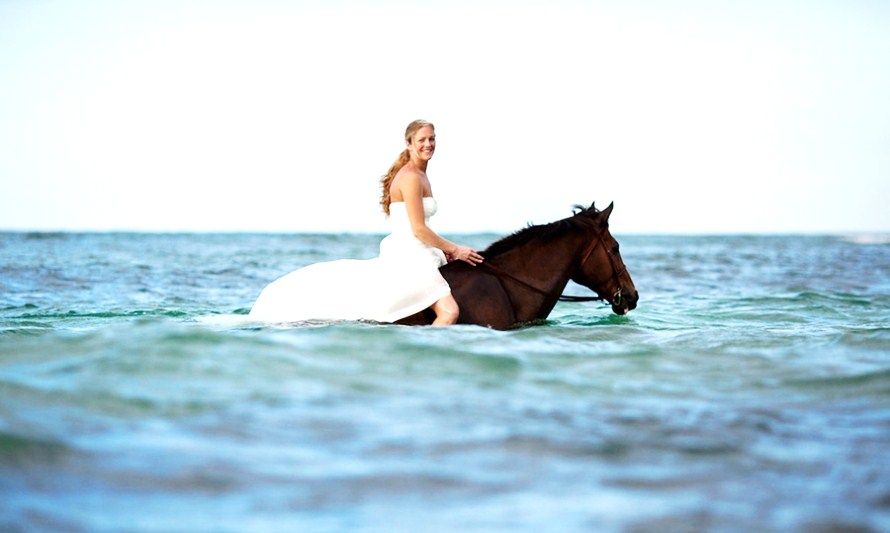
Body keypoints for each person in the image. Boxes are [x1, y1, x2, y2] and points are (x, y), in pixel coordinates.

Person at [248, 119, 483, 325]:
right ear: (408, 144)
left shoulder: (421, 174)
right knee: (450, 312)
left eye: (432, 139)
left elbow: (422, 227)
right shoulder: (411, 177)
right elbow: (418, 229)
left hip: (422, 251)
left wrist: (441, 249)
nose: (428, 144)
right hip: (412, 257)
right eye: (421, 139)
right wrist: (455, 249)